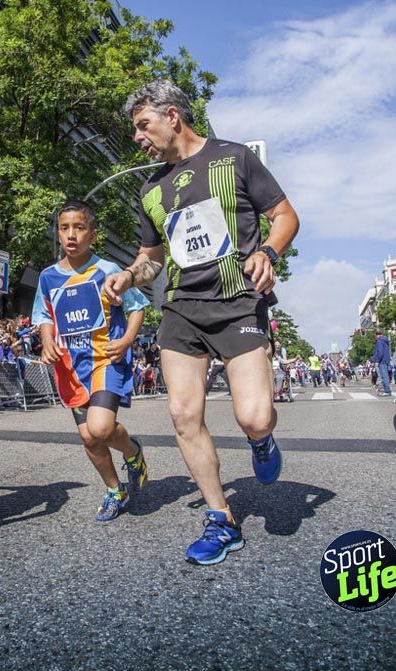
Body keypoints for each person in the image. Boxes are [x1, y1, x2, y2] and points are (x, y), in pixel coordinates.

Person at [104, 79, 300, 565]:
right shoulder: (151, 190)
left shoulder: (233, 159)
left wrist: (269, 253)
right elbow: (152, 256)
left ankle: (261, 440)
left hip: (237, 301)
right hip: (181, 309)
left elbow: (285, 215)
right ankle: (221, 519)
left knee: (254, 415)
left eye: (142, 125)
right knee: (183, 413)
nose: (138, 137)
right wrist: (129, 275)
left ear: (172, 116)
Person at [34, 200, 148, 521]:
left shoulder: (109, 270)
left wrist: (126, 341)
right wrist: (46, 341)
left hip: (105, 359)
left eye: (79, 227)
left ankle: (133, 452)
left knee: (100, 427)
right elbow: (43, 314)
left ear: (92, 234)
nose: (71, 235)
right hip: (71, 367)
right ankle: (115, 490)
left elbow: (137, 306)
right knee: (88, 436)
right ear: (58, 233)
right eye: (65, 228)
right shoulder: (47, 277)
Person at [372, 329, 392, 396]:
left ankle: (387, 391)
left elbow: (379, 352)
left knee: (384, 376)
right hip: (386, 360)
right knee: (385, 376)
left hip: (382, 361)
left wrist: (377, 361)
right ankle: (386, 389)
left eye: (375, 335)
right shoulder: (385, 340)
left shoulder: (379, 342)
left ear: (377, 335)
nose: (375, 337)